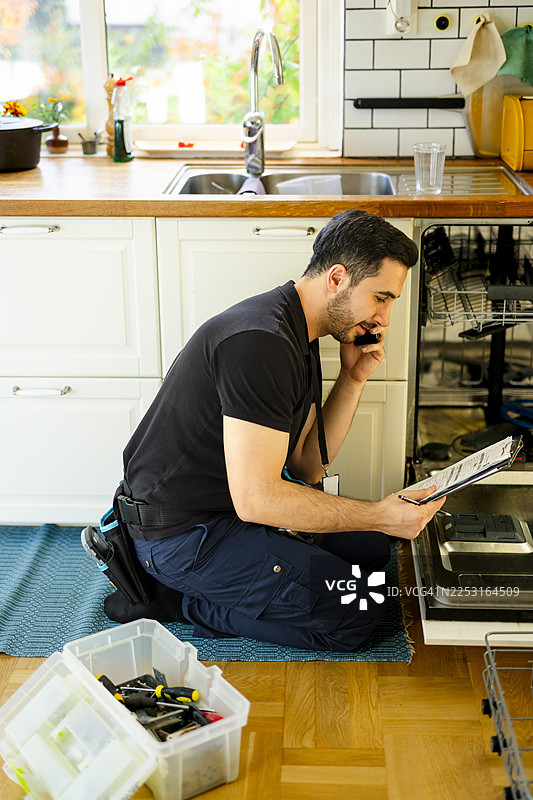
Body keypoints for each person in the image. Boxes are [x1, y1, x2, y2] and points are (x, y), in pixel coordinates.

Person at [104, 210, 445, 652]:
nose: (384, 318)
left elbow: (306, 467)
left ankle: (222, 586)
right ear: (337, 278)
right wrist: (378, 511)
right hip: (180, 537)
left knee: (374, 553)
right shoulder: (261, 342)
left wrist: (354, 377)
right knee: (358, 610)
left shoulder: (298, 334)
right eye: (381, 298)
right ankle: (174, 601)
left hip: (225, 515)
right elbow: (260, 499)